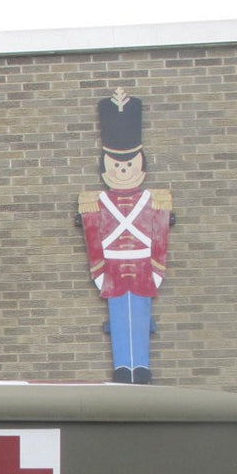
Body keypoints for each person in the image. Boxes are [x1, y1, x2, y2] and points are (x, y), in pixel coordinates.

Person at [79, 89, 173, 384]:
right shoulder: (97, 202)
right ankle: (123, 366)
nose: (123, 171)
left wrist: (157, 268)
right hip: (113, 269)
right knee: (118, 319)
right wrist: (99, 271)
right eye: (117, 166)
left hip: (144, 268)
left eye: (128, 165)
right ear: (106, 168)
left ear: (140, 167)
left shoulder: (153, 199)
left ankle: (140, 366)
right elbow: (94, 236)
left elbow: (159, 233)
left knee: (142, 318)